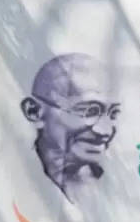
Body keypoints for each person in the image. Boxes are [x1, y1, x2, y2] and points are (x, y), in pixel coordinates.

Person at [20, 54, 121, 202]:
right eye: (90, 111)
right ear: (34, 111)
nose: (105, 131)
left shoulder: (123, 187)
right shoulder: (12, 174)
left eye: (113, 114)